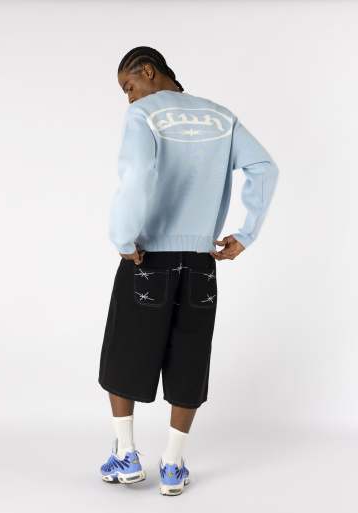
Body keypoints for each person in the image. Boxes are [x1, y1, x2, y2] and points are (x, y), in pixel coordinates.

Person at [98, 46, 279, 496]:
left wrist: (124, 239)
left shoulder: (144, 115)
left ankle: (126, 454)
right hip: (200, 262)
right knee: (190, 357)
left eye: (128, 86)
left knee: (124, 352)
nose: (129, 97)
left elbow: (137, 175)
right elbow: (263, 167)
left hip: (147, 258)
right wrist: (246, 233)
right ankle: (173, 464)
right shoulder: (221, 116)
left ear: (148, 70)